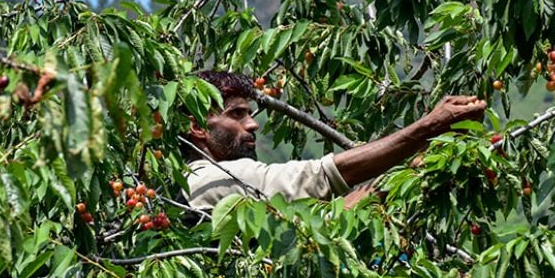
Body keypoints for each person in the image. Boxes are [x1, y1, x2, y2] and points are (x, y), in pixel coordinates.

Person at [182, 71, 487, 210]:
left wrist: (417, 168)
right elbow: (322, 176)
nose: (253, 124)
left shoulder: (247, 200)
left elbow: (333, 219)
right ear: (197, 127)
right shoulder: (205, 180)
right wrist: (429, 126)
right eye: (236, 114)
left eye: (249, 113)